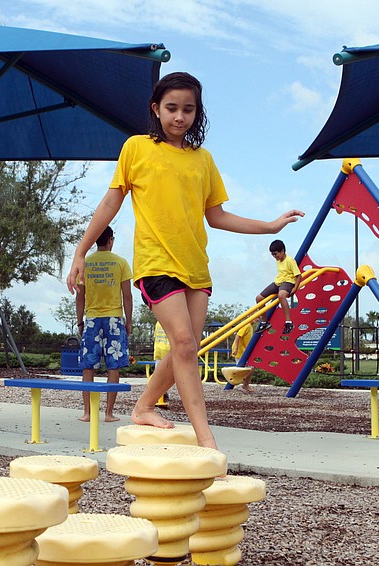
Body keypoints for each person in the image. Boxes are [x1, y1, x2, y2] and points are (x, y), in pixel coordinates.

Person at [65, 71, 304, 450]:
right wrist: (80, 251)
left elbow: (217, 216)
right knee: (184, 344)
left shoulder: (202, 160)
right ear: (156, 109)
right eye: (172, 108)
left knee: (187, 347)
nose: (179, 116)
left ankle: (144, 406)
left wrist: (270, 225)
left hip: (195, 267)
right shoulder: (136, 148)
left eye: (188, 110)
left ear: (197, 113)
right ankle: (206, 438)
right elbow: (111, 201)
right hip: (156, 264)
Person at [75, 225, 133, 423]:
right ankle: (109, 413)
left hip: (92, 319)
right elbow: (127, 296)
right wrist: (128, 321)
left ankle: (88, 413)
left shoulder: (86, 263)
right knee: (113, 366)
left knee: (88, 367)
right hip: (114, 319)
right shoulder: (121, 263)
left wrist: (80, 321)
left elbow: (80, 297)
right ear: (110, 240)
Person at [255, 240, 302, 334]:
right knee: (259, 298)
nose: (274, 256)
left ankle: (288, 322)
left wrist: (295, 289)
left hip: (288, 282)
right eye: (273, 255)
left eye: (276, 254)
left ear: (282, 251)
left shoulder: (290, 261)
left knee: (281, 295)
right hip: (278, 282)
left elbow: (299, 276)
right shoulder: (278, 260)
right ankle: (265, 322)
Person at [231, 319, 257, 393]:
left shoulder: (250, 326)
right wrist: (236, 348)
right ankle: (245, 384)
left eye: (259, 317)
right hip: (240, 350)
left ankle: (244, 382)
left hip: (244, 350)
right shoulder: (246, 325)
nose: (258, 319)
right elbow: (237, 336)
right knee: (250, 367)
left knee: (250, 367)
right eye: (257, 317)